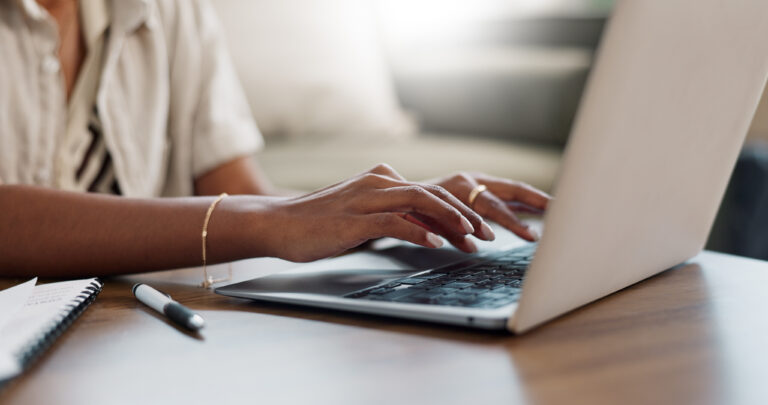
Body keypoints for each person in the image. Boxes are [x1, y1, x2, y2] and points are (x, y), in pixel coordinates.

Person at [0, 0, 550, 279]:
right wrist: (266, 222)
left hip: (114, 332)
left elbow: (237, 188)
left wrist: (390, 210)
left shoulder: (171, 10)